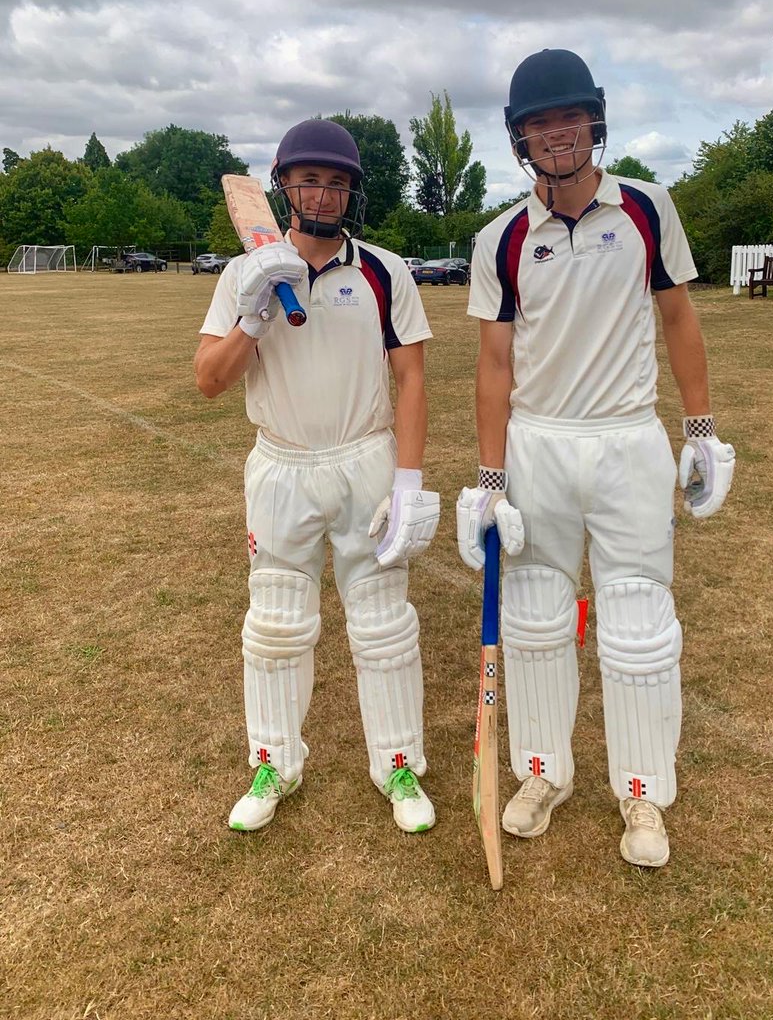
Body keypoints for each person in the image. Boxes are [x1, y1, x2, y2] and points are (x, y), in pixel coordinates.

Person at [457, 49, 735, 867]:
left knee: (639, 623)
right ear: (520, 139)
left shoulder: (646, 208)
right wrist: (489, 482)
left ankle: (642, 793)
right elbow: (494, 365)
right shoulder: (501, 238)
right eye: (539, 123)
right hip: (539, 442)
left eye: (569, 117)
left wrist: (700, 430)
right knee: (537, 619)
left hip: (626, 438)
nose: (557, 134)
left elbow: (679, 319)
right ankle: (543, 773)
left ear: (595, 122)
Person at [195, 119, 440, 835]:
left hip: (365, 460)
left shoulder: (384, 271)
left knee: (384, 623)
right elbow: (209, 380)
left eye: (337, 183)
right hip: (282, 465)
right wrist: (254, 316)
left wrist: (408, 482)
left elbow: (412, 379)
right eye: (309, 181)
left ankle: (399, 765)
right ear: (284, 187)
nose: (324, 195)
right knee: (275, 624)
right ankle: (274, 764)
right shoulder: (242, 276)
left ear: (351, 192)